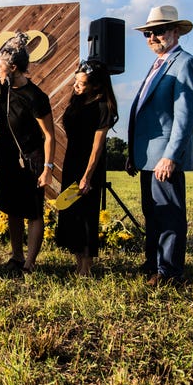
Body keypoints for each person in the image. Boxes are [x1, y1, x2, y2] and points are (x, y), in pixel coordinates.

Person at [126, 5, 193, 286]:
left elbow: (186, 116)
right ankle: (153, 265)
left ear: (175, 31)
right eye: (148, 33)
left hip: (164, 159)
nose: (152, 37)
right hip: (147, 158)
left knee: (169, 214)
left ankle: (170, 273)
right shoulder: (157, 64)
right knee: (153, 214)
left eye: (158, 31)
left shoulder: (185, 63)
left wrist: (171, 156)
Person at [0, 31, 55, 275]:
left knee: (33, 211)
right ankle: (16, 256)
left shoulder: (36, 97)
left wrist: (47, 169)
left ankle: (30, 262)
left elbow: (49, 136)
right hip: (7, 159)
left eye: (0, 68)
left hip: (32, 159)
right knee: (12, 209)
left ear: (14, 67)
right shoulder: (0, 91)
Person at [56, 60, 118, 276]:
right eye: (75, 82)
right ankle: (77, 262)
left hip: (89, 167)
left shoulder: (103, 108)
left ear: (97, 86)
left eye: (81, 84)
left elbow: (97, 147)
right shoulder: (77, 102)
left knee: (87, 216)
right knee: (73, 213)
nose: (76, 86)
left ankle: (87, 267)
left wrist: (87, 177)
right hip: (71, 163)